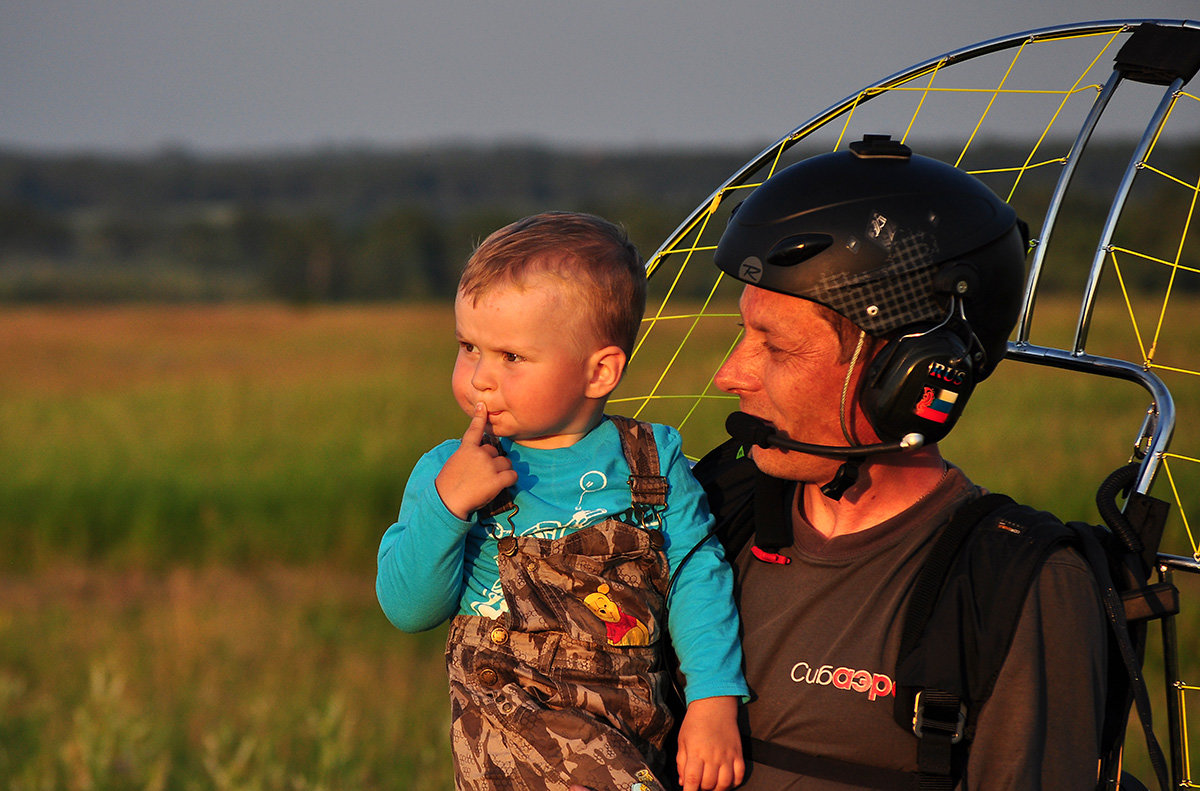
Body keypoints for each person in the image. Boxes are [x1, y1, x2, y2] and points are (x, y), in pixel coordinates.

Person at [693, 135, 1109, 789]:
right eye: (743, 334)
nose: (729, 375)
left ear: (907, 378)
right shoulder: (713, 515)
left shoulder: (1016, 585)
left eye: (774, 346)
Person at [376, 212, 749, 791]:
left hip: (633, 729)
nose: (479, 378)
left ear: (600, 371)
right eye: (469, 347)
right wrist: (447, 506)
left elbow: (697, 576)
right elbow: (409, 608)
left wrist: (712, 700)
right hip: (513, 739)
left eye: (511, 357)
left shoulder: (652, 460)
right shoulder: (447, 472)